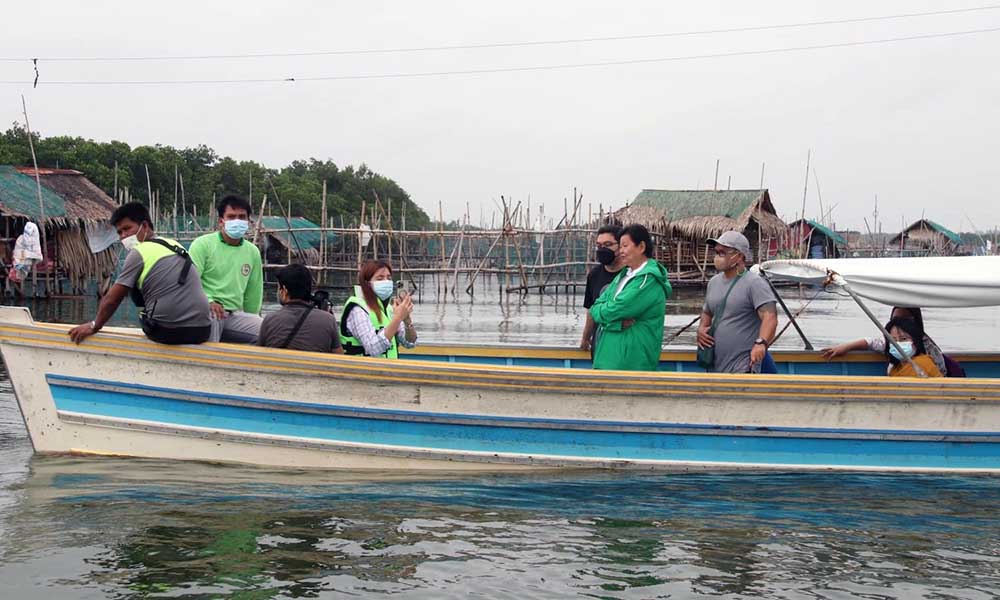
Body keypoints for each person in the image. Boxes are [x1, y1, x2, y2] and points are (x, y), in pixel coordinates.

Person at [68, 202, 212, 345]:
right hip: (203, 330)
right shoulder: (174, 245)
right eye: (119, 232)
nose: (124, 236)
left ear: (144, 226)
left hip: (168, 332)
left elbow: (113, 299)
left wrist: (94, 325)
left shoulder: (139, 252)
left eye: (127, 229)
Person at [589, 224, 672, 371]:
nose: (621, 251)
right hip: (608, 360)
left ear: (641, 247)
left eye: (625, 246)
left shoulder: (648, 280)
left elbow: (618, 309)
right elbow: (595, 307)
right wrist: (615, 324)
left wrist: (604, 316)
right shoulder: (623, 275)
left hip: (631, 363)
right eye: (620, 247)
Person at [697, 230, 778, 374]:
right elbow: (707, 312)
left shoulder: (754, 283)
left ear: (739, 256)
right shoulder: (713, 283)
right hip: (716, 364)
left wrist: (761, 343)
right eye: (716, 252)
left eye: (723, 252)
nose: (717, 256)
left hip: (743, 364)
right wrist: (702, 329)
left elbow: (770, 317)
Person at [189, 195, 263, 343]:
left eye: (242, 217)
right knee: (213, 317)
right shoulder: (202, 245)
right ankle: (209, 363)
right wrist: (209, 301)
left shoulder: (252, 251)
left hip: (234, 315)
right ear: (221, 221)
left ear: (249, 221)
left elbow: (253, 293)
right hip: (206, 310)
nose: (237, 221)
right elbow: (190, 282)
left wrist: (252, 316)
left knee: (267, 330)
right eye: (231, 217)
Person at [821, 306, 954, 375]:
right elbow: (872, 342)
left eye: (903, 339)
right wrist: (845, 347)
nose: (898, 324)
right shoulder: (891, 342)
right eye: (894, 320)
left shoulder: (927, 352)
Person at [258, 264, 344, 353]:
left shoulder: (270, 320)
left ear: (284, 290)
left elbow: (259, 353)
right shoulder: (328, 320)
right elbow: (340, 356)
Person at [340, 260, 417, 358]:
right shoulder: (357, 309)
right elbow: (373, 348)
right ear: (367, 283)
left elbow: (409, 343)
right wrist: (397, 318)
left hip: (388, 371)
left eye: (389, 278)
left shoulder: (388, 309)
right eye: (380, 278)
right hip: (362, 371)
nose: (386, 281)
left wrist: (406, 320)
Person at [580, 224, 625, 355]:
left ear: (620, 246)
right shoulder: (594, 275)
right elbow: (591, 311)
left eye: (608, 244)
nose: (602, 249)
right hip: (599, 345)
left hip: (623, 344)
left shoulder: (631, 275)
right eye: (599, 246)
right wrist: (585, 338)